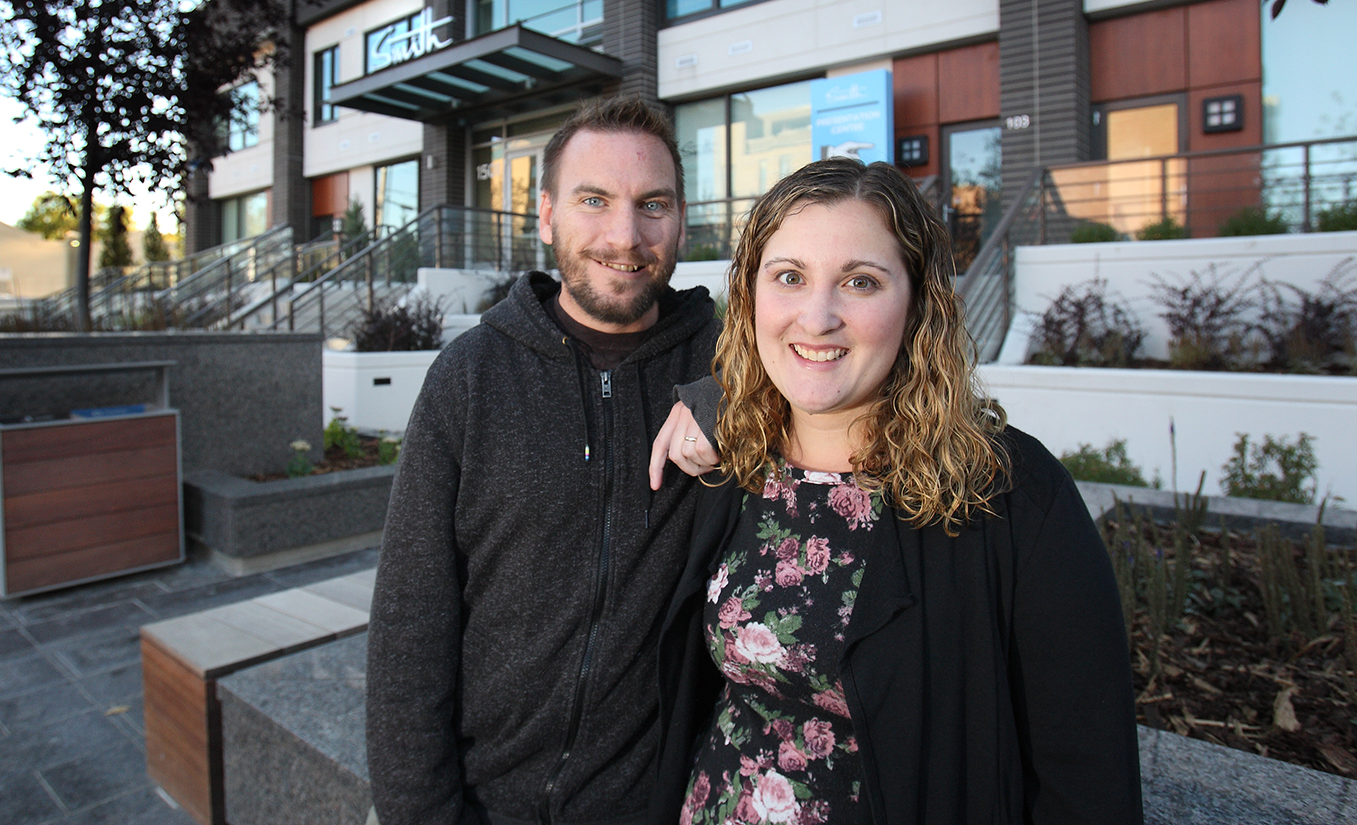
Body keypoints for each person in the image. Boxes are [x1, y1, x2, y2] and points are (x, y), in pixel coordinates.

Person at [648, 159, 1141, 824]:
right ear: (751, 296)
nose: (816, 317)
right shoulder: (730, 462)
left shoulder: (1012, 496)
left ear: (917, 304)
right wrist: (709, 398)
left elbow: (1088, 780)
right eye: (789, 277)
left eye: (859, 281)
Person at [366, 96, 722, 825]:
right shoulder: (469, 377)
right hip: (479, 801)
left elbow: (859, 380)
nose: (626, 237)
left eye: (652, 204)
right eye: (595, 200)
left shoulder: (734, 361)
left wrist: (731, 400)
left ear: (682, 218)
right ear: (546, 215)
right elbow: (410, 622)